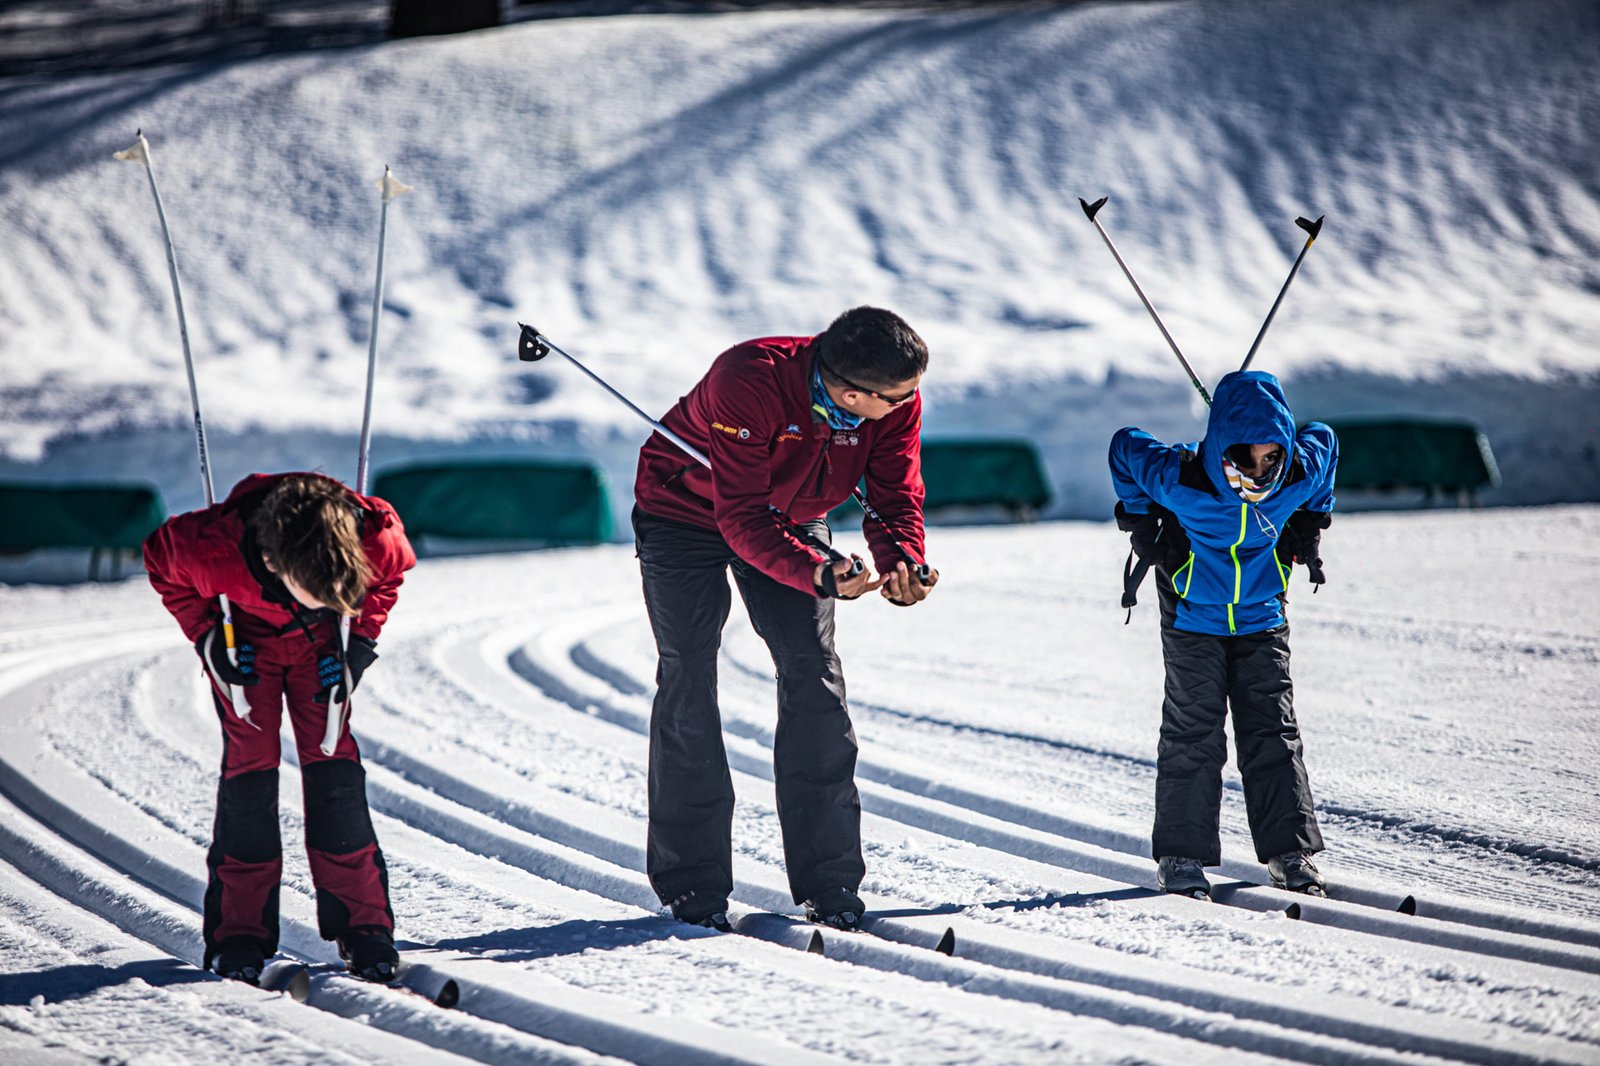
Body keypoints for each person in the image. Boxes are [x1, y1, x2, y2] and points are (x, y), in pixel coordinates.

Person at [632, 305, 939, 932]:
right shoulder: (747, 379)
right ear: (854, 392)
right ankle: (692, 884)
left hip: (796, 513)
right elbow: (741, 516)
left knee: (814, 674)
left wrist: (903, 560)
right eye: (901, 396)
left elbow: (893, 493)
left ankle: (829, 883)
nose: (913, 403)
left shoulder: (892, 399)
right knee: (689, 672)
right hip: (683, 512)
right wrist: (818, 572)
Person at [143, 471, 416, 983]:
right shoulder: (210, 550)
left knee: (333, 764)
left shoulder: (374, 541)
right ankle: (239, 934)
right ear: (272, 563)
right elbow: (160, 560)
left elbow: (389, 576)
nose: (325, 594)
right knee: (250, 771)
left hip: (324, 642)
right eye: (314, 590)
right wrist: (207, 639)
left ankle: (365, 927)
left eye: (338, 588)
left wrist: (358, 643)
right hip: (244, 639)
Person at [1108, 370, 1337, 899]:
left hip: (1262, 619)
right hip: (1193, 619)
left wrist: (1311, 521)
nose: (1258, 471)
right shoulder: (1181, 479)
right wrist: (1141, 525)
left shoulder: (1296, 474)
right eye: (1244, 456)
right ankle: (1181, 856)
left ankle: (1289, 851)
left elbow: (1326, 437)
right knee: (1194, 732)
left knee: (1272, 732)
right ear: (1221, 447)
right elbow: (1124, 447)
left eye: (1271, 457)